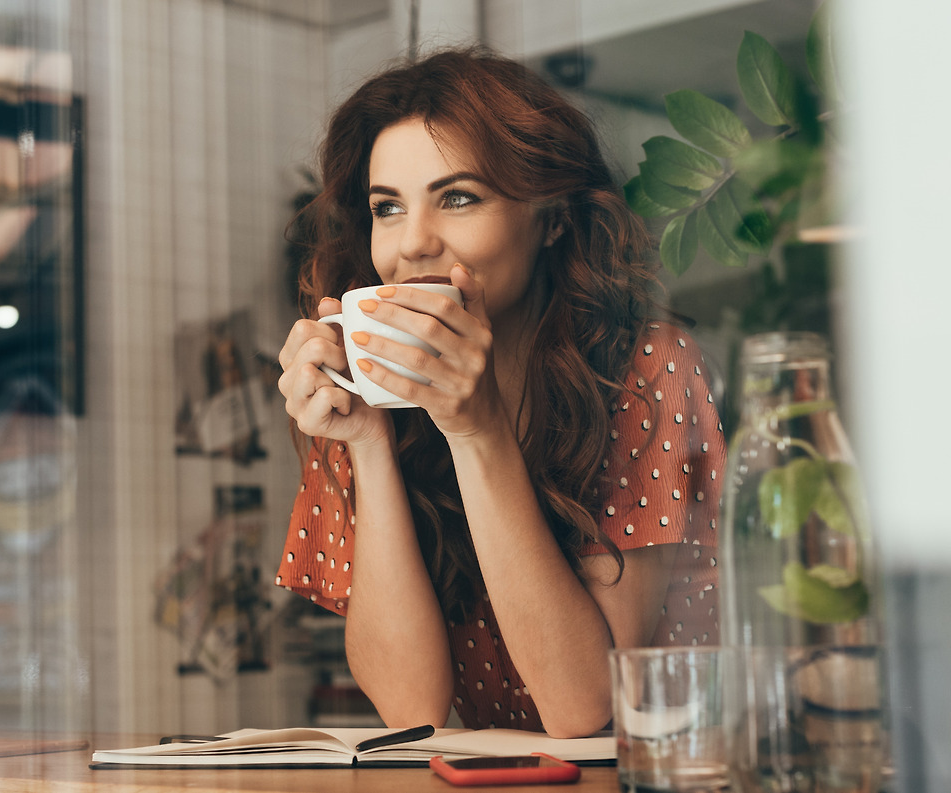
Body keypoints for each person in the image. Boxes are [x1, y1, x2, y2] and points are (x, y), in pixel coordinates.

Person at [274, 47, 726, 738]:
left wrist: (474, 428)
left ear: (551, 220)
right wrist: (368, 444)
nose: (411, 244)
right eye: (387, 207)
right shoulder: (372, 392)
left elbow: (584, 707)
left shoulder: (647, 368)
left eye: (458, 197)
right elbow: (410, 708)